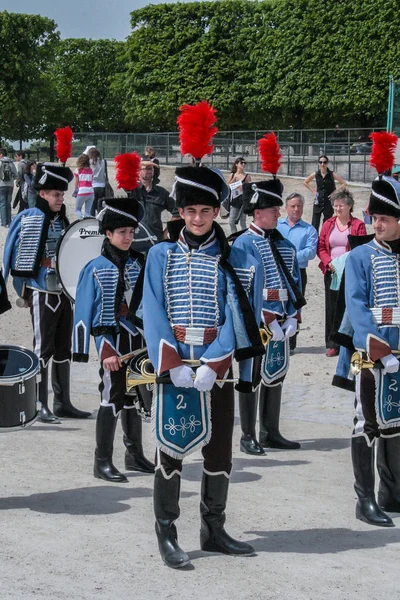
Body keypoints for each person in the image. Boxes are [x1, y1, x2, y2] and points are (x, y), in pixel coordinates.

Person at [142, 106, 264, 568]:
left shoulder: (232, 259)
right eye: (190, 210)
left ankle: (214, 528)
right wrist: (171, 364)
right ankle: (167, 531)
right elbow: (152, 311)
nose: (197, 218)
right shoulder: (158, 256)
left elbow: (237, 315)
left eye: (205, 210)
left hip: (217, 367)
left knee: (219, 450)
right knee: (170, 448)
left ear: (217, 211)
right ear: (180, 211)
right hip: (173, 365)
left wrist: (215, 364)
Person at [2, 162, 91, 423]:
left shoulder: (63, 219)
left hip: (63, 291)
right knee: (43, 348)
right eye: (56, 194)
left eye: (62, 195)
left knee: (64, 346)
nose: (60, 199)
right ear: (42, 194)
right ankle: (39, 403)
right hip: (41, 290)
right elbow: (10, 252)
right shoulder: (28, 218)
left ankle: (63, 402)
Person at [73, 197, 154, 482]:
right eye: (122, 232)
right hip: (113, 346)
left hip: (137, 342)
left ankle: (134, 455)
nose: (128, 237)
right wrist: (100, 350)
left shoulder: (138, 264)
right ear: (108, 234)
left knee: (133, 398)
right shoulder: (94, 268)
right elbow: (84, 313)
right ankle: (102, 461)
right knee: (112, 398)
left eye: (131, 232)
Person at [233, 144, 305, 454]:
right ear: (258, 212)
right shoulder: (242, 245)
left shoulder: (285, 246)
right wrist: (264, 317)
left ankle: (270, 430)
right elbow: (240, 291)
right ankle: (248, 434)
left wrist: (292, 318)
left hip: (282, 321)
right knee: (250, 376)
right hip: (255, 323)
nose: (279, 214)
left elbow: (295, 283)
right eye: (274, 210)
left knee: (277, 372)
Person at [344, 166, 400, 528]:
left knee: (396, 424)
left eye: (383, 219)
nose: (376, 225)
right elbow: (357, 306)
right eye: (374, 218)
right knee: (367, 423)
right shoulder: (360, 257)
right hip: (372, 357)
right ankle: (364, 499)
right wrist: (380, 350)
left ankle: (391, 492)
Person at [317, 189, 366, 357]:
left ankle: (348, 341)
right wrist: (328, 262)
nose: (337, 209)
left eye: (341, 205)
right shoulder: (328, 224)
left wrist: (346, 262)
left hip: (350, 271)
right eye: (335, 206)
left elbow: (360, 247)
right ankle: (332, 343)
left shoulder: (358, 225)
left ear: (349, 206)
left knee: (348, 306)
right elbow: (321, 246)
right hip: (331, 271)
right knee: (332, 307)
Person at [277, 192, 318, 352]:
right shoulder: (277, 226)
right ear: (286, 208)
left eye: (299, 206)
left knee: (295, 306)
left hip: (298, 273)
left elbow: (310, 252)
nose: (296, 209)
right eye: (293, 206)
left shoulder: (309, 230)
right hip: (277, 272)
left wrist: (289, 258)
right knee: (276, 303)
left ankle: (291, 342)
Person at [131, 159, 177, 252]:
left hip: (156, 240)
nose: (148, 171)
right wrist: (141, 163)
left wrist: (166, 232)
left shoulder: (161, 193)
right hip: (135, 240)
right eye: (145, 168)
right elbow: (124, 174)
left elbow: (178, 211)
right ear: (138, 171)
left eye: (150, 169)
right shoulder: (132, 191)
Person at [303, 155, 347, 231]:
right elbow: (305, 182)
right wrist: (313, 191)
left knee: (327, 223)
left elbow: (343, 183)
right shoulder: (316, 174)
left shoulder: (331, 174)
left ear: (327, 163)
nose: (322, 164)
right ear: (318, 163)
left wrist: (334, 192)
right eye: (321, 162)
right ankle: (314, 240)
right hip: (318, 200)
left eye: (324, 162)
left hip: (329, 201)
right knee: (315, 222)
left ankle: (325, 240)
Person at [226, 157, 251, 234]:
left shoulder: (247, 176)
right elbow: (227, 186)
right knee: (231, 221)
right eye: (241, 163)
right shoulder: (232, 175)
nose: (243, 164)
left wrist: (243, 187)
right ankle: (235, 236)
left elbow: (250, 188)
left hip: (243, 202)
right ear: (236, 164)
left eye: (244, 163)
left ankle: (244, 237)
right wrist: (233, 181)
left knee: (242, 222)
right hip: (234, 201)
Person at [0, 148, 17, 227]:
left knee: (2, 204)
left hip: (1, 185)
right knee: (8, 203)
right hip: (10, 185)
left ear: (1, 154)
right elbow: (16, 174)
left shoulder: (0, 162)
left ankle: (4, 222)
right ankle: (9, 222)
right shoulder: (11, 162)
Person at [73, 153, 94, 218]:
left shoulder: (78, 170)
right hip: (91, 192)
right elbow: (92, 180)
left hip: (82, 191)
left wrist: (76, 189)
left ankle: (80, 219)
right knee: (87, 212)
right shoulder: (91, 170)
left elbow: (76, 181)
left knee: (77, 209)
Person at [87, 148, 107, 215]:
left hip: (92, 185)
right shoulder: (104, 161)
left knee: (92, 206)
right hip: (102, 186)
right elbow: (106, 174)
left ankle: (92, 221)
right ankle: (100, 220)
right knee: (100, 206)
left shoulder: (88, 162)